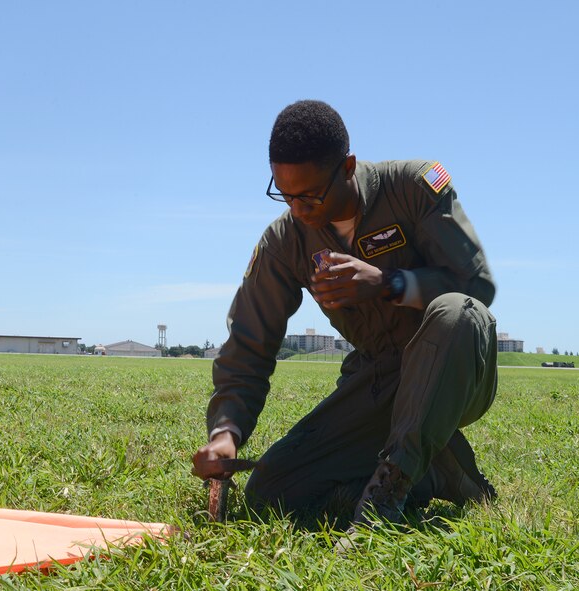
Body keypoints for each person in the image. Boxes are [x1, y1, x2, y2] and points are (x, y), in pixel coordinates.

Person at [191, 100, 498, 529]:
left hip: (456, 370)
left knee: (455, 313)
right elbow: (249, 343)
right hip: (378, 377)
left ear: (348, 167)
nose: (299, 209)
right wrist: (226, 432)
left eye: (311, 195)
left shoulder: (413, 187)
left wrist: (389, 283)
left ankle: (384, 501)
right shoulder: (286, 241)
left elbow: (477, 286)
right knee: (271, 490)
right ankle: (440, 471)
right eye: (285, 194)